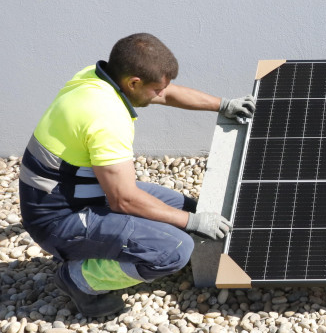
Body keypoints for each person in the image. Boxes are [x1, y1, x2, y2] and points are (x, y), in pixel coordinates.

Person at [18, 33, 256, 317]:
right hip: (58, 219)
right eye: (156, 90)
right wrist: (193, 222)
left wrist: (224, 104)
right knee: (177, 247)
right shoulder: (107, 118)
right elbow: (124, 200)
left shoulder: (95, 78)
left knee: (187, 212)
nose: (161, 95)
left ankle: (130, 246)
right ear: (134, 83)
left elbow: (167, 92)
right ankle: (79, 280)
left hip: (79, 191)